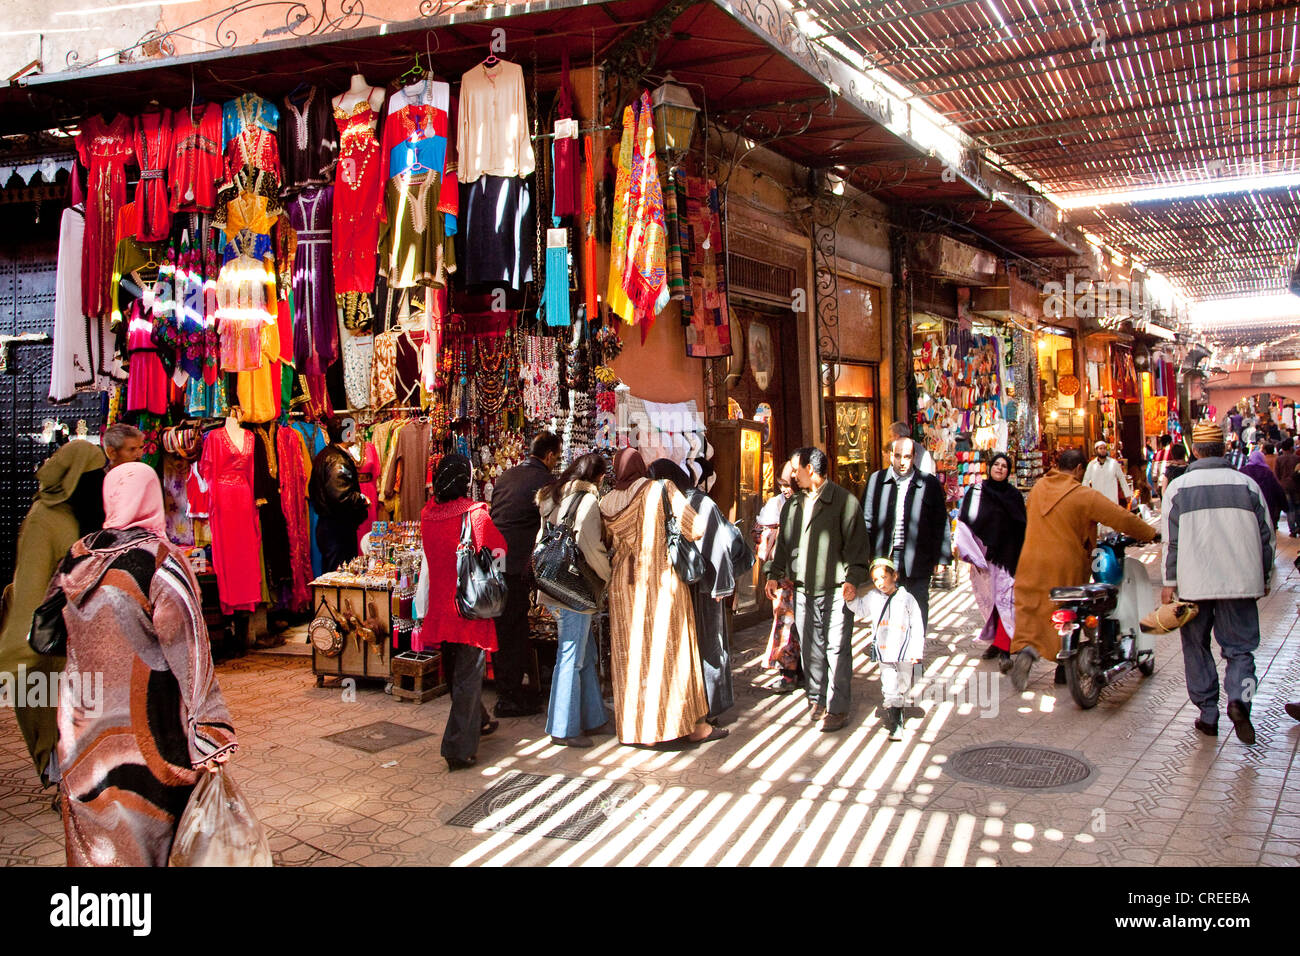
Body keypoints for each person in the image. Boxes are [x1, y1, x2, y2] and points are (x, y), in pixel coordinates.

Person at [48, 463, 236, 865]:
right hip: (147, 727)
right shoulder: (160, 560)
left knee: (93, 831)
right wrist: (209, 730)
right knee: (151, 832)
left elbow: (53, 628)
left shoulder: (77, 556)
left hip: (79, 724)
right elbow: (190, 648)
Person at [0, 440, 107, 786]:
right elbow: (30, 588)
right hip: (47, 641)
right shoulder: (43, 520)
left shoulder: (81, 512)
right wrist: (17, 652)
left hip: (79, 636)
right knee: (49, 710)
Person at [600, 449, 724, 746]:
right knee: (672, 655)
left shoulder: (606, 502)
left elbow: (606, 542)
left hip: (623, 587)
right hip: (660, 582)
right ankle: (691, 727)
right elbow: (696, 527)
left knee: (633, 659)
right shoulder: (661, 490)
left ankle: (639, 732)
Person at [1161, 422, 1273, 744]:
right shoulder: (1247, 484)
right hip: (1239, 582)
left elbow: (1172, 542)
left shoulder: (1178, 488)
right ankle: (1241, 699)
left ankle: (1208, 713)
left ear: (1195, 450)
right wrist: (1263, 577)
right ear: (1223, 449)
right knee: (1241, 651)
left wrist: (1169, 582)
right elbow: (1266, 538)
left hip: (1194, 585)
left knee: (1196, 647)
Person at [1008, 448, 1156, 691]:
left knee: (1033, 611)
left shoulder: (1038, 489)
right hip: (1064, 562)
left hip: (1030, 561)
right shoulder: (1083, 495)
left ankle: (1028, 649)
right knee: (1068, 611)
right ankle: (1063, 668)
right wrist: (1150, 532)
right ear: (1079, 469)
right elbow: (1120, 518)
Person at [765, 447, 872, 732]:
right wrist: (773, 574)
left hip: (836, 590)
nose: (792, 474)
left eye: (795, 468)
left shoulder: (844, 502)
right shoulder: (793, 505)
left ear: (809, 470)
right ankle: (817, 698)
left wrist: (853, 578)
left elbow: (858, 547)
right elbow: (784, 546)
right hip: (803, 589)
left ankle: (837, 707)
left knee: (837, 649)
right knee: (811, 647)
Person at [419, 455, 507, 771]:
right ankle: (457, 747)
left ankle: (479, 720)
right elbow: (498, 550)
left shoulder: (428, 515)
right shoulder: (475, 515)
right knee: (469, 676)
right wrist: (496, 576)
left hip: (441, 606)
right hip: (468, 607)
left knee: (459, 670)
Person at [649, 458, 753, 723]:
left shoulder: (698, 503)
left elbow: (717, 544)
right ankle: (699, 705)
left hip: (705, 585)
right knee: (699, 644)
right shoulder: (672, 502)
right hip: (685, 586)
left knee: (709, 643)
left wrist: (721, 586)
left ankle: (712, 706)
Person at [535, 453, 613, 747]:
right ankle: (563, 728)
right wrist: (607, 576)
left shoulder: (552, 496)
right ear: (598, 477)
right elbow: (591, 548)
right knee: (571, 657)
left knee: (585, 653)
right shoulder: (587, 502)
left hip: (553, 585)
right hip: (574, 589)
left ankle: (593, 718)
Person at [489, 431, 562, 717]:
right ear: (549, 455)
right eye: (556, 456)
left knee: (503, 627)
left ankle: (508, 691)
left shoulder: (506, 476)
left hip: (496, 560)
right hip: (516, 564)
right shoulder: (545, 482)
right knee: (515, 628)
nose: (556, 461)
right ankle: (509, 697)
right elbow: (552, 525)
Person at [861, 436, 951, 633]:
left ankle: (915, 654)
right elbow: (866, 519)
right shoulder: (877, 480)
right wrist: (865, 556)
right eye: (898, 456)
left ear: (914, 457)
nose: (902, 462)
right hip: (886, 556)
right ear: (891, 456)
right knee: (887, 605)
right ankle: (889, 651)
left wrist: (942, 557)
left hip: (919, 557)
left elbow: (940, 522)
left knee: (917, 605)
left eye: (907, 457)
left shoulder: (929, 484)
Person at [954, 451, 1025, 667]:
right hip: (983, 559)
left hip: (1008, 558)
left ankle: (1005, 649)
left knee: (1006, 601)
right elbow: (965, 521)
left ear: (1008, 471)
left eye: (1004, 466)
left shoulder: (1014, 496)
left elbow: (1022, 525)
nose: (1000, 468)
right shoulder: (976, 492)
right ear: (990, 467)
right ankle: (996, 642)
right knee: (990, 601)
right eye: (997, 464)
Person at [848, 558, 925, 741]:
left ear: (894, 576)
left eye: (884, 577)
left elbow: (917, 625)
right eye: (876, 580)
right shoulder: (873, 597)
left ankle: (899, 705)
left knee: (904, 684)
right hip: (885, 651)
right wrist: (850, 599)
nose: (880, 582)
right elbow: (861, 609)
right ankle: (896, 722)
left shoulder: (907, 599)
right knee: (890, 684)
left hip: (905, 651)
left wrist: (916, 651)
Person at [757, 463, 800, 692]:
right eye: (781, 485)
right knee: (785, 623)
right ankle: (788, 672)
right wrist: (771, 573)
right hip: (783, 574)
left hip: (800, 575)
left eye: (788, 484)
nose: (784, 489)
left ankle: (798, 670)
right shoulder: (775, 505)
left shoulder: (803, 503)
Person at [308, 421, 370, 573]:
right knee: (338, 575)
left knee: (333, 573)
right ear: (346, 433)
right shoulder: (337, 460)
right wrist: (362, 499)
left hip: (330, 526)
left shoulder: (326, 454)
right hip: (337, 529)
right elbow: (340, 495)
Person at [1240, 448, 1287, 533]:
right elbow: (1277, 490)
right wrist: (1284, 506)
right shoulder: (1267, 472)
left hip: (1247, 506)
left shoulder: (1243, 471)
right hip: (1267, 506)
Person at [1082, 440, 1133, 509]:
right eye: (1100, 448)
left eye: (1104, 448)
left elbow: (1122, 479)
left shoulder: (1113, 463)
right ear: (1096, 450)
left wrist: (1127, 494)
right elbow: (1086, 481)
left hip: (1112, 499)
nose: (1103, 450)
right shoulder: (1091, 465)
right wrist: (1087, 496)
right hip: (1098, 499)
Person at [1272, 437, 1299, 536]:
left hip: (1284, 487)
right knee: (1297, 507)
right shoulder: (1297, 458)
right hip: (1296, 486)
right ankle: (1299, 526)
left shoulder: (1279, 459)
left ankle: (1292, 530)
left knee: (1289, 509)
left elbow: (1276, 474)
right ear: (1291, 448)